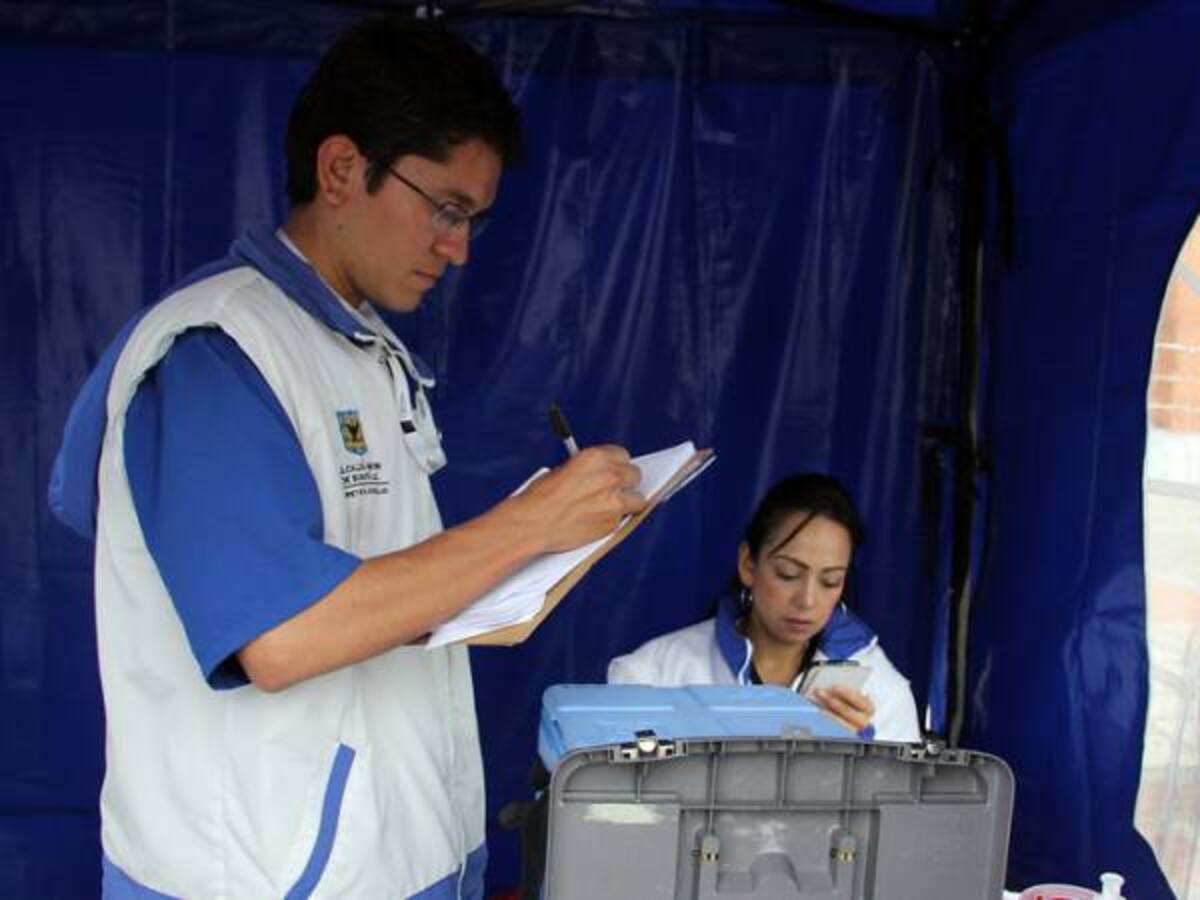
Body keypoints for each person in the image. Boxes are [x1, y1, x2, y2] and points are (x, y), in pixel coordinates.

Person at [48, 17, 646, 900]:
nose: (461, 247)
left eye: (474, 219)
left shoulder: (363, 346)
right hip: (265, 878)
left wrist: (539, 560)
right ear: (340, 170)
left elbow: (389, 591)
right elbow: (283, 638)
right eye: (447, 210)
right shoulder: (217, 355)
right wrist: (531, 521)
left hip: (400, 854)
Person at [608, 473, 920, 742]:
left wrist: (859, 763)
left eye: (830, 581)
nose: (807, 600)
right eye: (788, 574)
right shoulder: (654, 675)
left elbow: (901, 808)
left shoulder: (880, 689)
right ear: (748, 565)